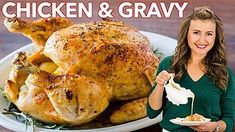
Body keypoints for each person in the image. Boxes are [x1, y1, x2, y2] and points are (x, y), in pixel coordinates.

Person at [147, 6, 235, 132]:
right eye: (196, 32)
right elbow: (152, 113)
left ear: (216, 38)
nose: (202, 40)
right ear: (186, 34)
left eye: (209, 34)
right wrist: (160, 85)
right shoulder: (169, 64)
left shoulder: (225, 74)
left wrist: (213, 127)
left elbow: (229, 120)